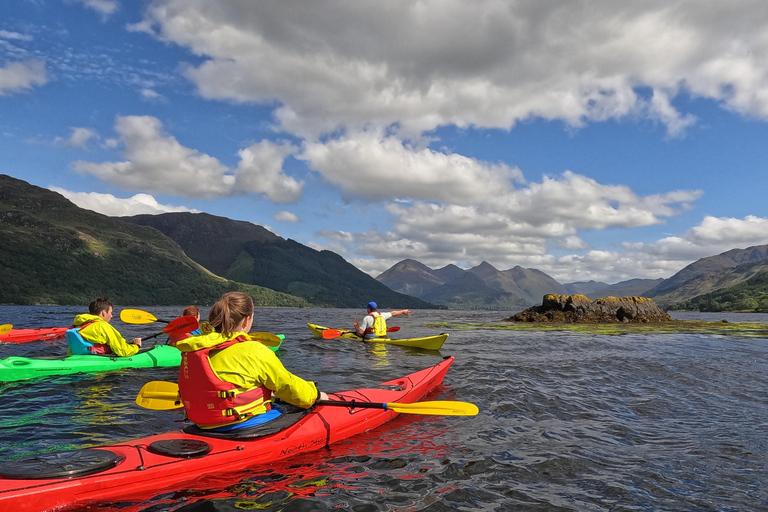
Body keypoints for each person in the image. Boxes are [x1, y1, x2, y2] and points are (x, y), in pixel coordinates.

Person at [174, 291, 328, 431]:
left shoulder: (194, 349)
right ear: (246, 320)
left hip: (202, 425)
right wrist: (315, 394)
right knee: (294, 409)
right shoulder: (254, 350)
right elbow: (288, 386)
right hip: (243, 426)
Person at [68, 297, 142, 356]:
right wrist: (136, 346)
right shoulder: (103, 326)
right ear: (103, 313)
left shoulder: (78, 326)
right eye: (110, 313)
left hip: (76, 358)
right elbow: (122, 351)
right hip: (98, 364)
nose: (111, 316)